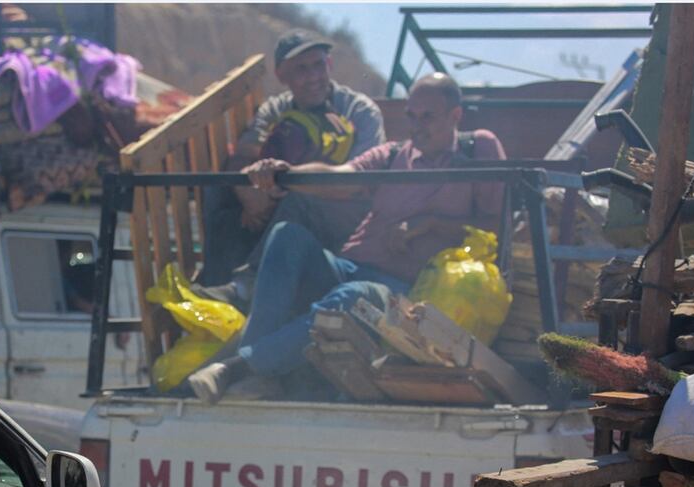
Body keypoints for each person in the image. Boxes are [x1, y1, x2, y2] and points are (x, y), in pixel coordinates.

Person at [188, 73, 507, 403]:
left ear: (456, 116)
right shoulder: (394, 155)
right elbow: (341, 178)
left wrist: (430, 224)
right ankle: (261, 374)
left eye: (428, 117)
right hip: (350, 266)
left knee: (353, 297)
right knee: (287, 237)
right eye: (412, 116)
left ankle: (237, 369)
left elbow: (495, 224)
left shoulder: (477, 147)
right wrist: (286, 173)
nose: (417, 126)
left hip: (403, 290)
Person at [196, 29, 385, 290]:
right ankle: (212, 289)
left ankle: (245, 286)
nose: (313, 77)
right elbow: (245, 155)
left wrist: (286, 186)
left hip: (342, 210)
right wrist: (249, 195)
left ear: (329, 65)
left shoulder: (359, 110)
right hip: (281, 200)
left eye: (319, 65)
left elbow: (359, 181)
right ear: (282, 76)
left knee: (299, 197)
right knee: (218, 190)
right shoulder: (275, 109)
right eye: (301, 69)